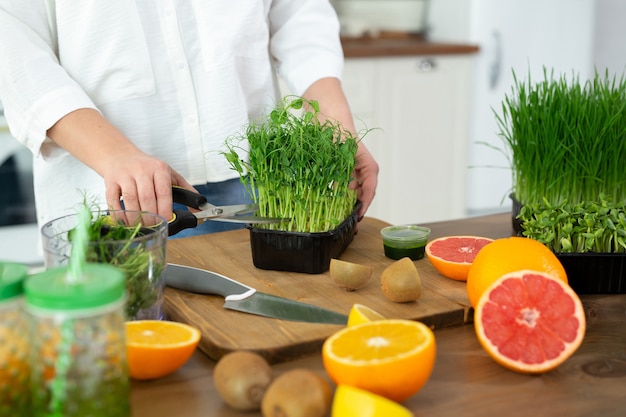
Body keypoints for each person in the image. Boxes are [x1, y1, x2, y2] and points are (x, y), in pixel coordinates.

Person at [0, 1, 379, 238]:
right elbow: (15, 51)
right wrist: (115, 155)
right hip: (112, 196)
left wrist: (333, 116)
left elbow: (299, 14)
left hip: (257, 181)